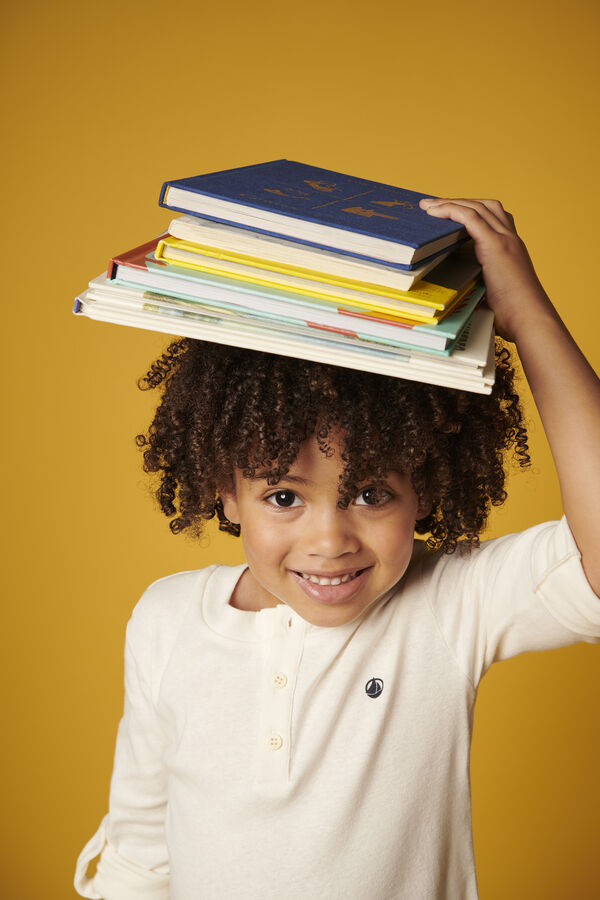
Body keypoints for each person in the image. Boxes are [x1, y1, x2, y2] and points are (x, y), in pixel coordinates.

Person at [74, 199, 600, 899]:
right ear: (224, 491)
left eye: (371, 494)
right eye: (284, 497)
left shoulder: (447, 607)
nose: (329, 541)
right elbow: (139, 855)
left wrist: (528, 317)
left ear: (424, 490)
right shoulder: (165, 622)